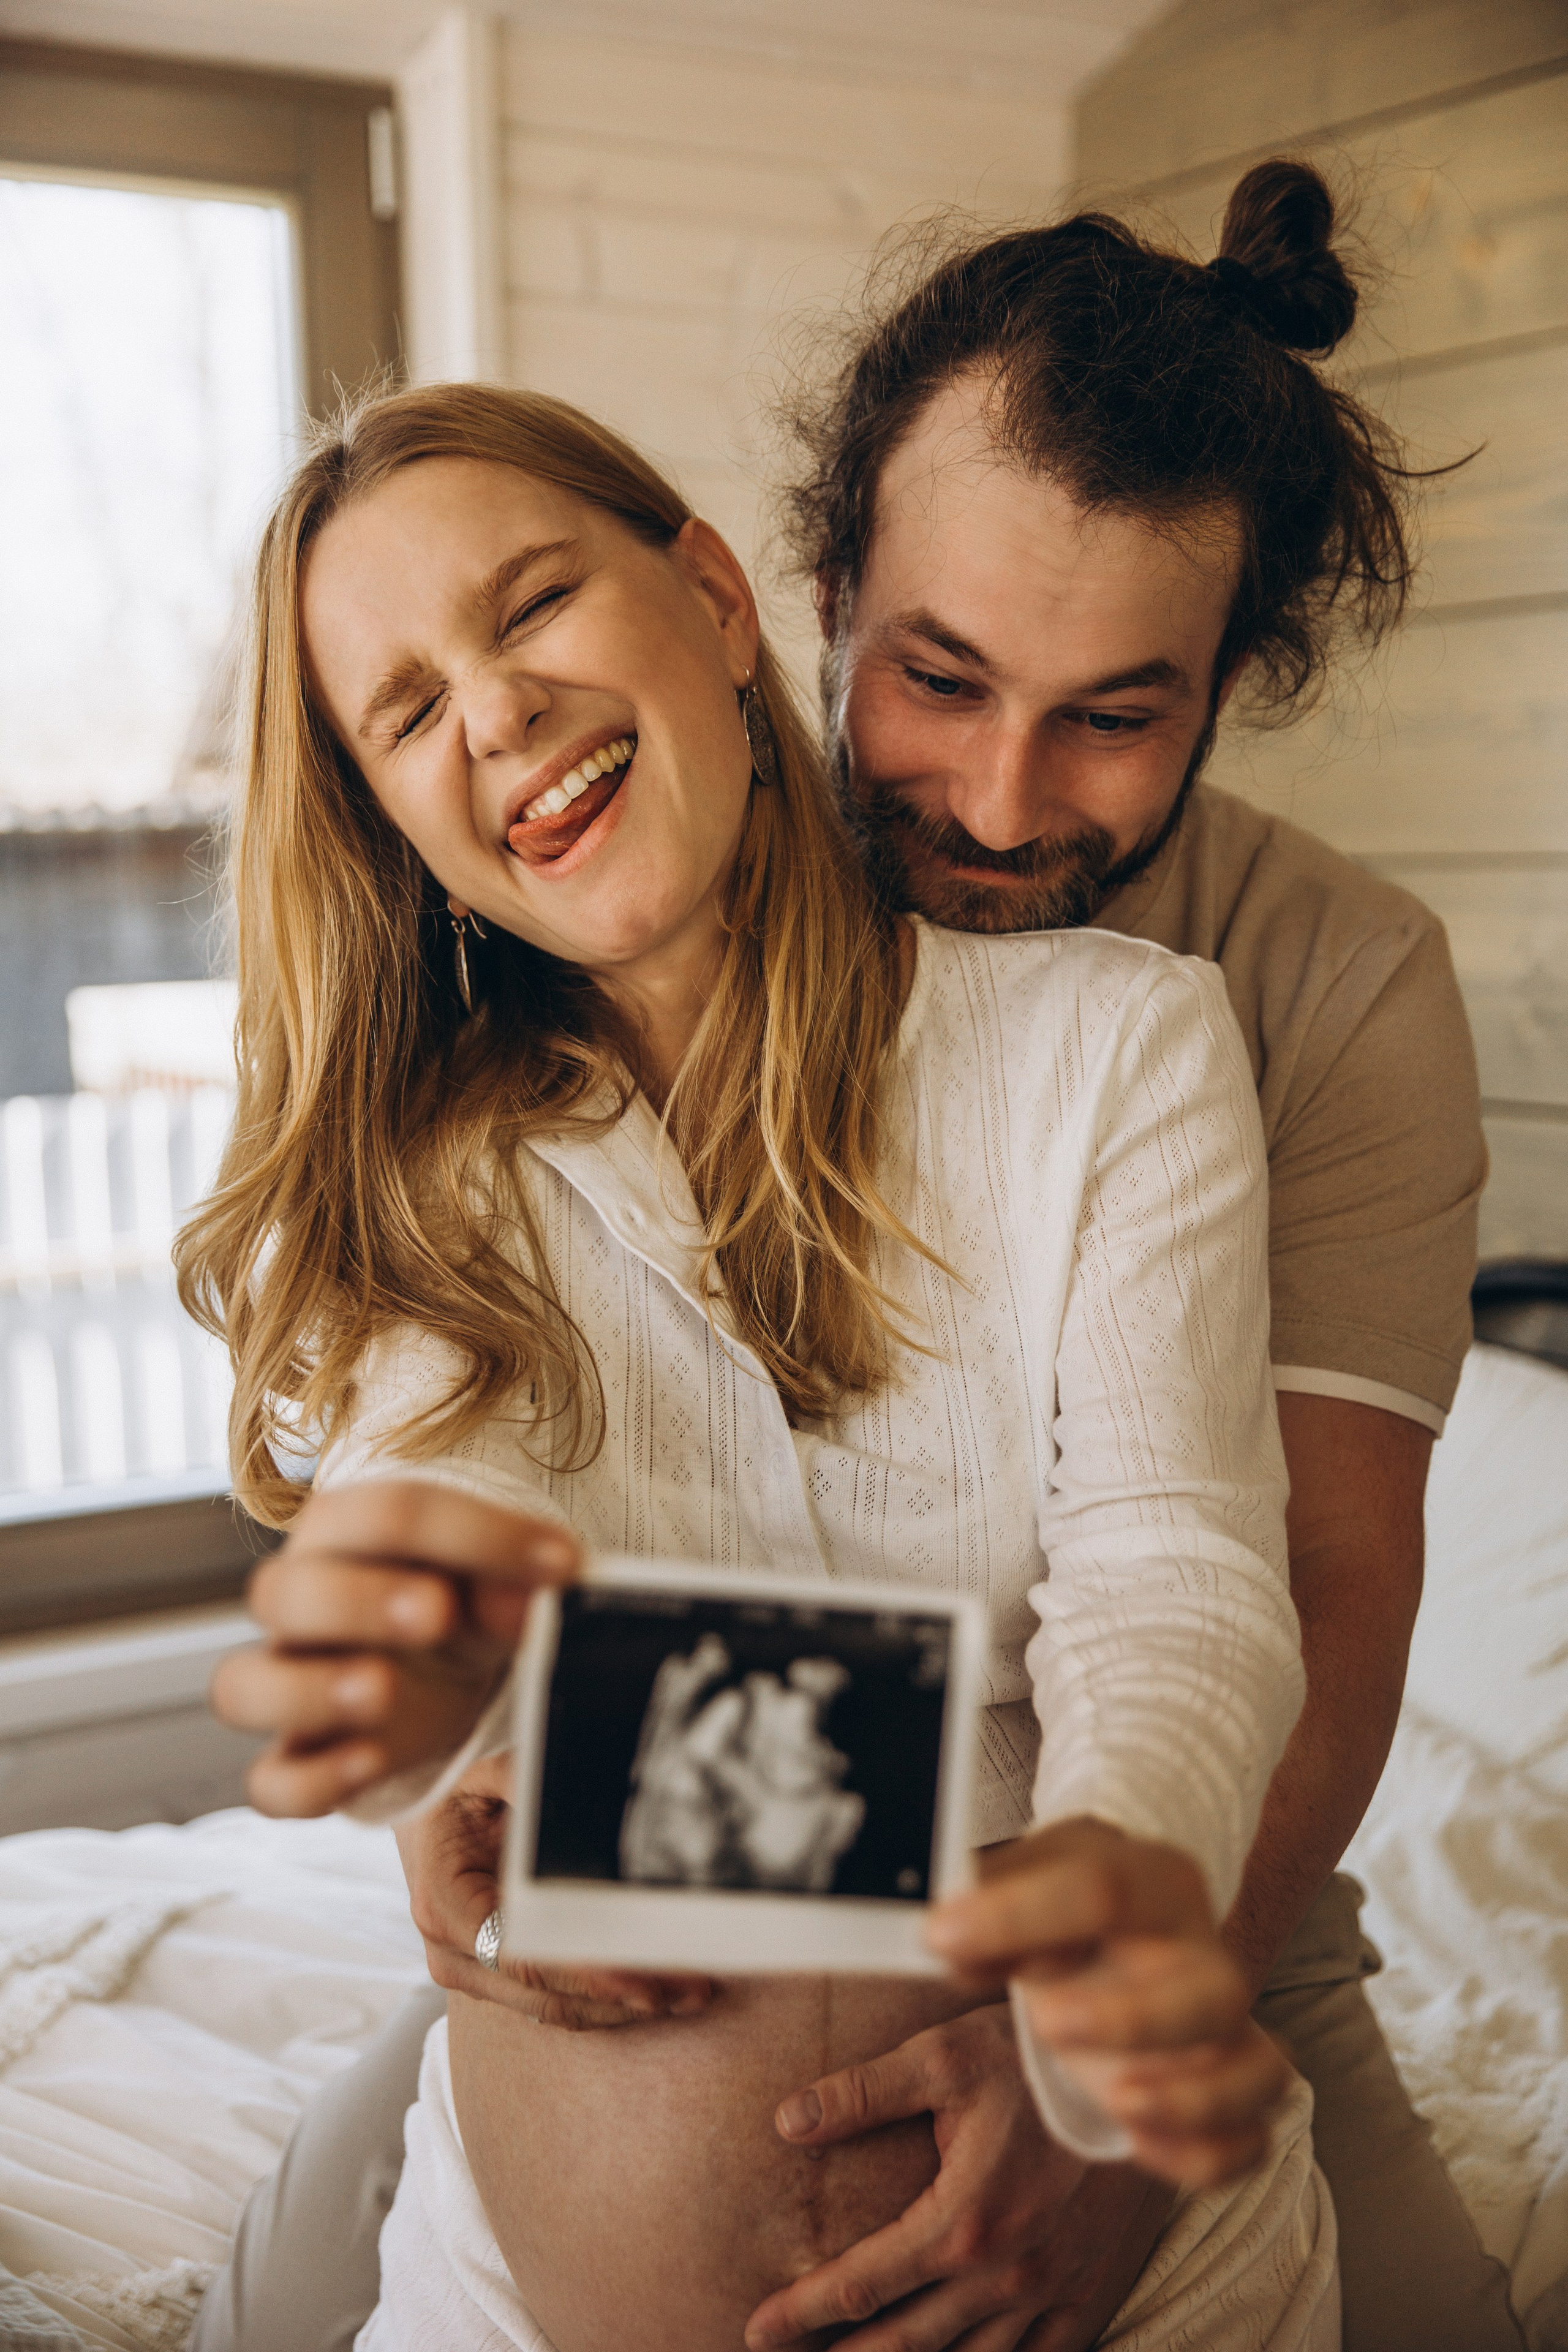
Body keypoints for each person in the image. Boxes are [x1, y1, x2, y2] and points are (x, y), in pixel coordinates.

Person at [193, 158, 1513, 2352]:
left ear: (1227, 684)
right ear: (790, 598)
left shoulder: (1286, 997)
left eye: (1116, 715)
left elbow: (1293, 1590)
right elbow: (482, 1451)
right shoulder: (556, 993)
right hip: (677, 1917)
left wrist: (1100, 2065)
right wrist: (444, 1732)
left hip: (1210, 1901)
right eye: (941, 679)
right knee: (264, 2275)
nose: (1000, 804)